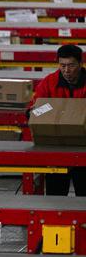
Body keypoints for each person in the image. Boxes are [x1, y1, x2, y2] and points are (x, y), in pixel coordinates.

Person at [32, 44, 86, 196]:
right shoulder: (49, 82)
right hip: (56, 146)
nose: (66, 70)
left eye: (71, 65)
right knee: (55, 195)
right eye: (62, 65)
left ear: (80, 64)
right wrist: (36, 111)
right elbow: (36, 109)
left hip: (84, 147)